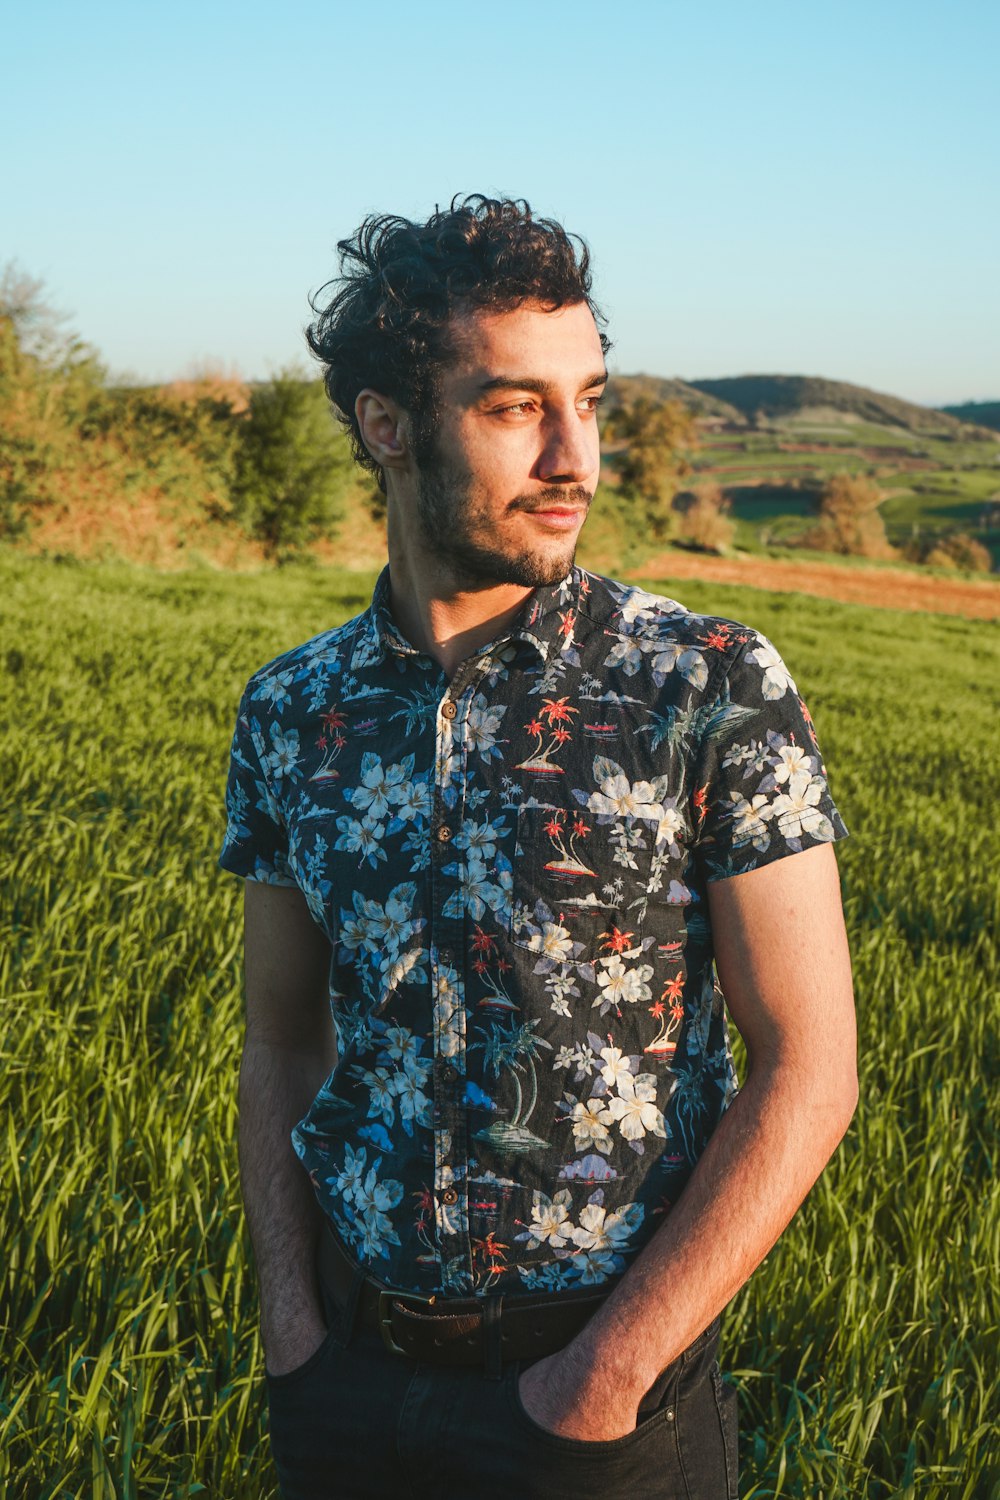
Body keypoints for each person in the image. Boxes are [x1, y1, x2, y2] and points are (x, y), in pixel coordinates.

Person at [219, 194, 857, 1500]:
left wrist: (605, 1381)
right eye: (517, 408)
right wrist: (291, 1335)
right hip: (348, 1382)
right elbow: (281, 1040)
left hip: (600, 1413)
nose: (577, 456)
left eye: (593, 401)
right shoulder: (295, 712)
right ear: (385, 427)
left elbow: (811, 1066)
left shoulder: (709, 683)